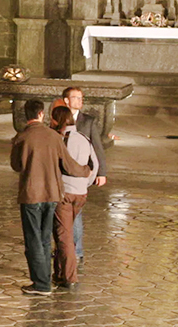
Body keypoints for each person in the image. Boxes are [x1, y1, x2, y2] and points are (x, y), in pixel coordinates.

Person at [10, 99, 90, 295]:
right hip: (53, 193)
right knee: (46, 238)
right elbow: (69, 164)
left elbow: (16, 166)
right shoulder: (54, 137)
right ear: (41, 114)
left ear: (26, 115)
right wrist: (86, 170)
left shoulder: (21, 138)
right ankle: (46, 279)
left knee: (33, 239)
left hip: (31, 194)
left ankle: (41, 283)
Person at [49, 105, 99, 288]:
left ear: (56, 120)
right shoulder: (84, 139)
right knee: (65, 231)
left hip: (64, 193)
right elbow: (94, 164)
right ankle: (60, 272)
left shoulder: (58, 140)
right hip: (80, 193)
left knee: (64, 236)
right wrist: (84, 185)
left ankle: (69, 276)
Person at [60, 86, 109, 263]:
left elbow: (97, 147)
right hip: (63, 174)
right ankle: (65, 247)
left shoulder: (87, 121)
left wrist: (101, 172)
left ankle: (77, 250)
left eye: (81, 98)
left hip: (80, 175)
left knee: (76, 214)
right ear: (66, 100)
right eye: (75, 98)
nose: (80, 101)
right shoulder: (59, 118)